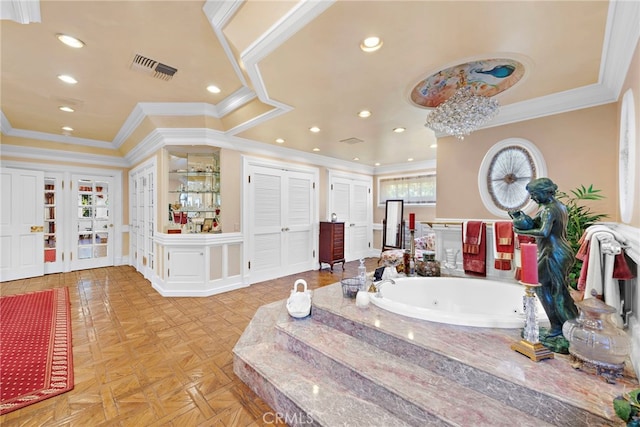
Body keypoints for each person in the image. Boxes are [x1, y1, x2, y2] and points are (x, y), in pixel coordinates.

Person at [510, 177, 578, 339]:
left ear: (546, 192)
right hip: (559, 251)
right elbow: (539, 224)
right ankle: (567, 326)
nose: (532, 197)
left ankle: (558, 327)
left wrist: (521, 232)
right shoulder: (558, 206)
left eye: (534, 194)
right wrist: (522, 219)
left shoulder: (548, 210)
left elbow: (543, 232)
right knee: (556, 290)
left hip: (553, 253)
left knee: (545, 287)